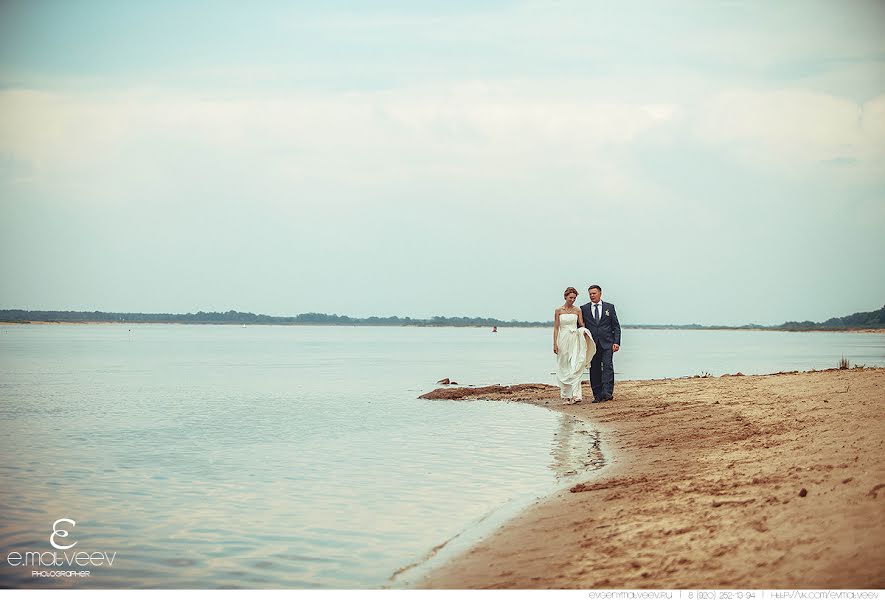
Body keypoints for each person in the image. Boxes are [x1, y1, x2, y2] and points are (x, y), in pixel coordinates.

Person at [553, 287, 595, 405]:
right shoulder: (558, 310)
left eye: (574, 298)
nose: (572, 300)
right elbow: (556, 328)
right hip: (563, 339)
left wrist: (585, 334)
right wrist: (555, 343)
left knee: (575, 364)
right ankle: (566, 396)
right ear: (565, 297)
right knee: (563, 365)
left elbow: (581, 324)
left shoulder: (577, 310)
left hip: (574, 338)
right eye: (570, 297)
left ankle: (576, 395)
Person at [580, 284, 622, 403]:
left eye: (594, 293)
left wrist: (616, 342)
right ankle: (597, 395)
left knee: (608, 367)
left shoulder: (609, 307)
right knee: (595, 369)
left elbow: (616, 326)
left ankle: (607, 393)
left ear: (600, 293)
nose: (592, 295)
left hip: (608, 343)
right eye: (590, 294)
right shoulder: (584, 309)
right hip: (592, 344)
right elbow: (581, 327)